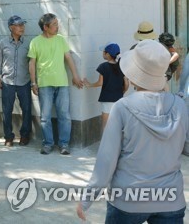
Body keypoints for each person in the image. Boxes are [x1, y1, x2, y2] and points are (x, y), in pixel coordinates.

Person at [77, 39, 188, 223]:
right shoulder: (180, 106)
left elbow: (106, 159)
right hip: (170, 198)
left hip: (128, 198)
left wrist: (87, 198)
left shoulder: (123, 107)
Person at [28, 13, 83, 155]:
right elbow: (32, 63)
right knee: (45, 117)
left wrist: (75, 76)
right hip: (45, 84)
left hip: (62, 83)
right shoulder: (35, 42)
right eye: (54, 24)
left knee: (64, 115)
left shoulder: (61, 40)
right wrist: (33, 82)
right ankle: (48, 144)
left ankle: (64, 144)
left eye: (57, 24)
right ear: (45, 27)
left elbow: (69, 58)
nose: (57, 27)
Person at [0, 15, 32, 147]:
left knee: (26, 109)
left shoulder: (28, 43)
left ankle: (25, 135)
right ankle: (8, 137)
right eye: (19, 25)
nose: (22, 28)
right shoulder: (3, 42)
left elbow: (32, 62)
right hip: (7, 81)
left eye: (23, 25)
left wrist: (33, 81)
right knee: (7, 110)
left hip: (24, 81)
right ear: (11, 27)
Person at [83, 43, 129, 132]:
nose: (103, 53)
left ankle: (105, 144)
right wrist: (122, 92)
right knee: (118, 124)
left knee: (106, 125)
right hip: (119, 99)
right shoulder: (122, 66)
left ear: (107, 54)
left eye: (104, 52)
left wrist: (89, 84)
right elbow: (126, 84)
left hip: (107, 99)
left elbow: (100, 83)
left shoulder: (103, 66)